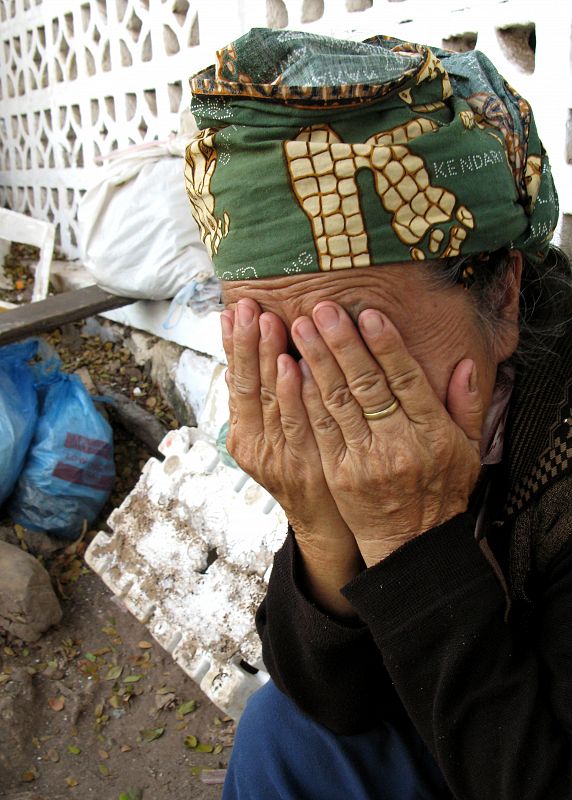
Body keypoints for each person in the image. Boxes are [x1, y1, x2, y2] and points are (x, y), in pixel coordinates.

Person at [184, 28, 572, 799]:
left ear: (502, 294)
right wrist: (321, 531)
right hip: (448, 708)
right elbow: (329, 701)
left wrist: (411, 538)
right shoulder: (340, 411)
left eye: (357, 336)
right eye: (275, 340)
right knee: (280, 735)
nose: (330, 391)